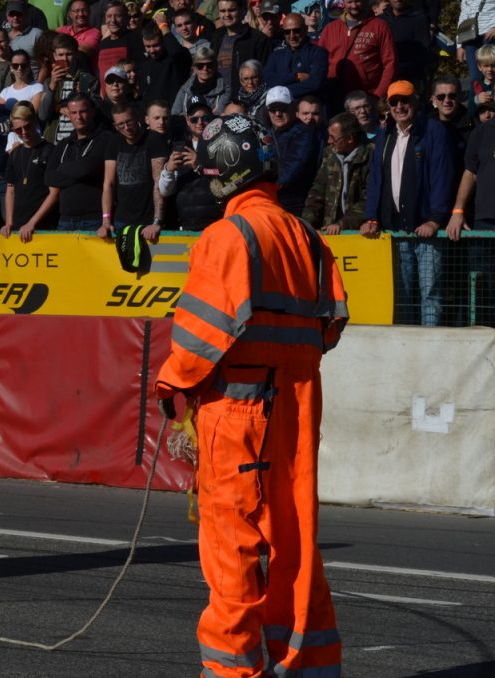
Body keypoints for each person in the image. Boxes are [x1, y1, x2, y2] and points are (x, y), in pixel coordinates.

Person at [155, 113, 347, 678]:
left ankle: (233, 672)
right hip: (296, 407)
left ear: (223, 174)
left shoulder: (227, 236)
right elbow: (331, 324)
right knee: (295, 549)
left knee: (233, 551)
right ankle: (308, 667)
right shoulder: (307, 236)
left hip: (237, 412)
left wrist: (173, 387)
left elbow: (196, 339)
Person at [361, 81, 455, 326]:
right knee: (399, 295)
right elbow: (376, 180)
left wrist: (435, 219)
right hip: (394, 229)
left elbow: (441, 176)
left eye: (405, 101)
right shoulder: (385, 135)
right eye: (394, 102)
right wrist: (371, 216)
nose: (399, 106)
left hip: (426, 230)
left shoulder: (433, 131)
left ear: (415, 102)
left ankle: (430, 347)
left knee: (430, 294)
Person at [448, 111, 495, 326]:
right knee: (483, 286)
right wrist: (458, 211)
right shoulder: (483, 131)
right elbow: (470, 172)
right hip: (484, 222)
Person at [44, 93, 111, 230]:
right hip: (65, 219)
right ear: (68, 115)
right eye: (74, 113)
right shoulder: (64, 144)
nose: (78, 117)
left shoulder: (105, 138)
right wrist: (81, 175)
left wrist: (62, 168)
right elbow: (49, 177)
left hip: (94, 220)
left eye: (83, 111)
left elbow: (86, 168)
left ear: (92, 112)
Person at [98, 102, 163, 240]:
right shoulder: (114, 142)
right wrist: (106, 220)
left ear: (137, 118)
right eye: (121, 125)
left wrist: (157, 221)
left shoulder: (154, 139)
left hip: (148, 222)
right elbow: (108, 183)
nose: (126, 128)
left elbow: (159, 183)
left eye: (129, 122)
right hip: (121, 221)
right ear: (115, 126)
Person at [158, 96, 223, 231]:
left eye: (204, 118)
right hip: (186, 225)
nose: (200, 123)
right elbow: (165, 191)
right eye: (194, 119)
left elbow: (226, 185)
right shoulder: (178, 146)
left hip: (215, 223)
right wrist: (168, 170)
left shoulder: (222, 144)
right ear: (187, 121)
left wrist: (200, 166)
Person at [303, 112, 373, 234]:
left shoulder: (371, 155)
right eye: (328, 136)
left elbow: (368, 198)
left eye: (333, 137)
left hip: (359, 232)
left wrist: (342, 224)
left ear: (350, 138)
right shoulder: (330, 154)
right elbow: (317, 192)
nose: (329, 141)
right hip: (330, 230)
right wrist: (306, 225)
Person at [318, 0, 396, 111]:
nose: (354, 6)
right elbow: (319, 64)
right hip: (335, 98)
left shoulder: (379, 26)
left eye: (358, 1)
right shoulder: (330, 29)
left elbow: (390, 64)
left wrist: (378, 95)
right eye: (350, 2)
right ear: (343, 2)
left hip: (368, 99)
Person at [2, 101, 58, 241]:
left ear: (34, 122)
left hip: (44, 225)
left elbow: (54, 193)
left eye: (27, 127)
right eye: (18, 130)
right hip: (18, 226)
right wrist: (9, 222)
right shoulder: (15, 153)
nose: (24, 132)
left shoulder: (49, 150)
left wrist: (32, 222)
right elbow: (10, 190)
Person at [265, 86, 319, 214]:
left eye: (283, 108)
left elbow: (291, 168)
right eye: (273, 109)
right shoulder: (266, 133)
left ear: (293, 108)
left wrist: (267, 187)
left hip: (294, 203)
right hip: (271, 200)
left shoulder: (304, 133)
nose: (277, 114)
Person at [210, 0, 271, 98]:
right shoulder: (216, 37)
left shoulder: (258, 39)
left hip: (246, 100)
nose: (227, 15)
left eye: (231, 10)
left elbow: (266, 75)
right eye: (223, 11)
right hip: (217, 99)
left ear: (243, 11)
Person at [264, 13, 327, 102]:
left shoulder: (318, 53)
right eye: (287, 32)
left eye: (296, 31)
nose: (292, 36)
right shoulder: (276, 55)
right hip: (283, 110)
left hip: (308, 110)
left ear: (305, 29)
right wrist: (295, 77)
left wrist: (281, 91)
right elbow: (268, 79)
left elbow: (315, 83)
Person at [172, 46, 230, 116]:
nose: (205, 68)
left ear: (215, 66)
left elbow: (221, 113)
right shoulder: (184, 90)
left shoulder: (225, 89)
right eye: (200, 65)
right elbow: (175, 114)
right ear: (194, 68)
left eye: (209, 65)